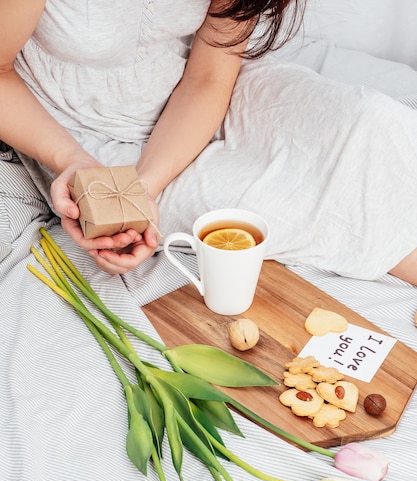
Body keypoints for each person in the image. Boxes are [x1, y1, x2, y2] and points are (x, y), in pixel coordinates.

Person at [2, 0, 417, 284]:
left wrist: (146, 184)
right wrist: (76, 162)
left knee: (372, 121)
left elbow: (209, 76)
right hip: (82, 132)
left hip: (200, 90)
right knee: (274, 205)